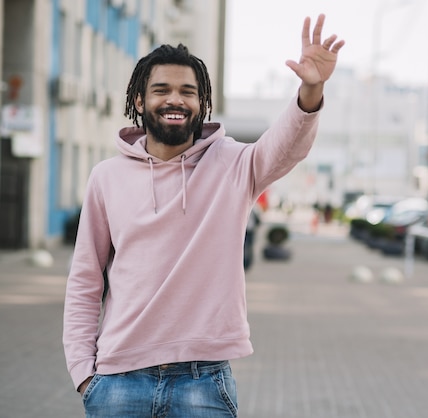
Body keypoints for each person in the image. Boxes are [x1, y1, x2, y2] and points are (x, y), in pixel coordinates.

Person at [63, 14, 344, 417]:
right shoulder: (106, 177)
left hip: (203, 383)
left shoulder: (234, 164)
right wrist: (82, 372)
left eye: (187, 92)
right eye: (161, 90)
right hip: (118, 382)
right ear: (140, 101)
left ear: (202, 103)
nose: (174, 100)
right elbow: (85, 280)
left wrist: (310, 89)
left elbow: (286, 146)